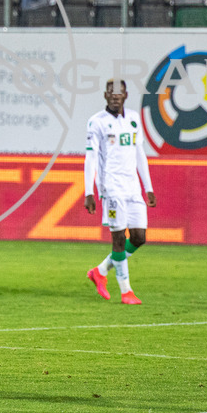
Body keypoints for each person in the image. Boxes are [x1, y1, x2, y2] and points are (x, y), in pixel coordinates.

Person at [83, 80, 156, 305]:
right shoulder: (97, 122)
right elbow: (91, 157)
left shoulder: (133, 119)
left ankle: (100, 270)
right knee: (118, 238)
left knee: (138, 238)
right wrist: (90, 191)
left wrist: (148, 187)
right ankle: (126, 291)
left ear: (125, 95)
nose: (115, 96)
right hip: (111, 188)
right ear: (106, 95)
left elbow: (140, 154)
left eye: (119, 93)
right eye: (111, 93)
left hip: (133, 188)